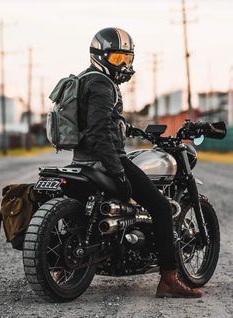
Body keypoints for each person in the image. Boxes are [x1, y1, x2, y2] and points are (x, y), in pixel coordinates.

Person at [72, 27, 202, 298]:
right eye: (117, 59)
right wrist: (117, 170)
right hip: (106, 159)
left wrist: (128, 129)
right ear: (100, 56)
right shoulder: (102, 84)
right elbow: (98, 131)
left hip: (81, 159)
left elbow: (99, 122)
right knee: (162, 207)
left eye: (126, 58)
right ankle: (169, 280)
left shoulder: (84, 79)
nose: (124, 65)